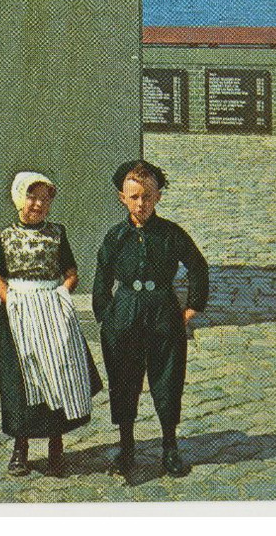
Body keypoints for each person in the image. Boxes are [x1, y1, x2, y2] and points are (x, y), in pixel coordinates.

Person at [92, 160, 209, 478]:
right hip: (125, 314)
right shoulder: (116, 237)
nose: (140, 203)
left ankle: (170, 448)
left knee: (168, 382)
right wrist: (106, 315)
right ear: (122, 198)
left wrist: (191, 307)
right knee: (124, 383)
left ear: (157, 196)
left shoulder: (171, 234)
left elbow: (198, 265)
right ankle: (127, 448)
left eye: (147, 196)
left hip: (163, 313)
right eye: (133, 197)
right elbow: (101, 276)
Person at [0, 171, 103, 477]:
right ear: (18, 199)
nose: (37, 204)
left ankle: (56, 448)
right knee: (24, 381)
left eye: (44, 198)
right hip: (18, 314)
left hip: (52, 311)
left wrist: (62, 294)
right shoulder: (5, 236)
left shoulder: (57, 233)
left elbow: (70, 271)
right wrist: (11, 300)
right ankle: (20, 448)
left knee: (58, 373)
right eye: (31, 196)